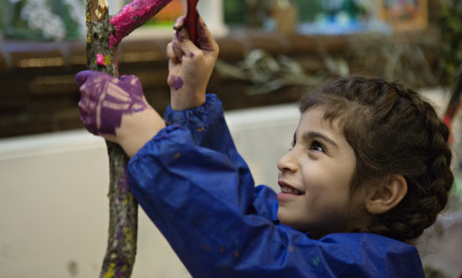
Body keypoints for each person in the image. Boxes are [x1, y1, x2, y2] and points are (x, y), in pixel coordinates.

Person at [75, 15, 454, 277]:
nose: (285, 161)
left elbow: (245, 251)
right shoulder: (317, 231)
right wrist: (190, 100)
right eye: (296, 142)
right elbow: (243, 210)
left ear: (383, 191)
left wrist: (142, 132)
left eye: (317, 147)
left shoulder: (369, 269)